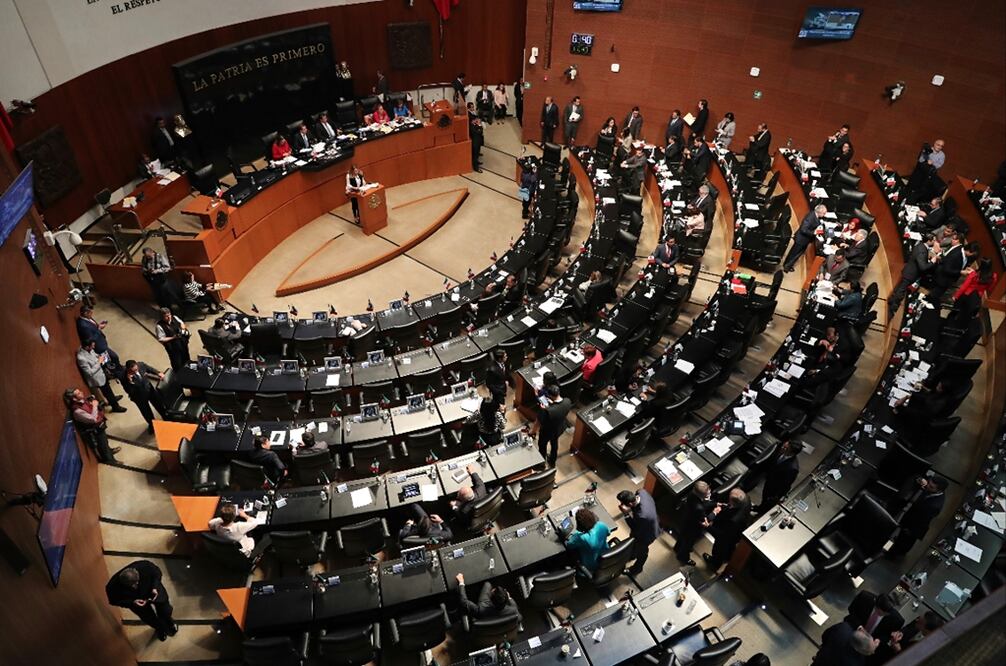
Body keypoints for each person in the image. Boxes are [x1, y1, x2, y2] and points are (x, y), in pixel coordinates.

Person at [106, 561, 176, 641]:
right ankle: (160, 629)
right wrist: (132, 602)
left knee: (165, 610)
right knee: (149, 619)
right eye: (131, 585)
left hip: (153, 592)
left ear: (138, 574)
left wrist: (155, 587)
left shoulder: (145, 566)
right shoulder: (112, 587)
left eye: (136, 583)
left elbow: (157, 573)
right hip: (137, 603)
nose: (135, 586)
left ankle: (168, 622)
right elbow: (114, 601)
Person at [887, 476, 948, 557]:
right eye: (928, 483)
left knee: (903, 543)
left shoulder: (934, 506)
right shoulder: (932, 486)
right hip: (910, 515)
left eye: (931, 487)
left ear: (939, 490)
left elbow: (921, 521)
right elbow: (919, 477)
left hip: (914, 526)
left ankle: (891, 555)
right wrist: (920, 479)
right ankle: (890, 546)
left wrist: (908, 529)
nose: (927, 486)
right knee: (898, 536)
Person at [888, 235, 939, 318]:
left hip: (908, 271)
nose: (935, 242)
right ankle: (893, 306)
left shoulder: (921, 245)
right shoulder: (922, 250)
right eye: (934, 240)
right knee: (901, 290)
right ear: (929, 241)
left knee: (900, 287)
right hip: (911, 273)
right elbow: (923, 267)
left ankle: (892, 300)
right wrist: (932, 262)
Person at [703, 488, 751, 571]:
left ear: (732, 502)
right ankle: (728, 557)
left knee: (719, 550)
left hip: (726, 535)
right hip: (737, 533)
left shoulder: (733, 521)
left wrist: (708, 526)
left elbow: (721, 535)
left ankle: (715, 563)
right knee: (730, 546)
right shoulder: (747, 500)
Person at [871, 612, 944, 663]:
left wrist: (898, 651)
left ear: (927, 630)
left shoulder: (928, 650)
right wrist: (901, 633)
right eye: (919, 618)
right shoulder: (920, 621)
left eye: (920, 622)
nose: (916, 620)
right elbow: (908, 627)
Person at [617, 489, 660, 575]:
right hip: (647, 523)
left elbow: (635, 528)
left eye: (622, 503)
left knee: (642, 551)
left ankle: (637, 569)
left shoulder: (642, 515)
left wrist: (626, 514)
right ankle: (632, 554)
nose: (621, 504)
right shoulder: (641, 492)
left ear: (630, 504)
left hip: (647, 533)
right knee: (634, 544)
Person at [76, 338, 125, 413]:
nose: (94, 347)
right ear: (87, 347)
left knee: (108, 389)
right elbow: (89, 372)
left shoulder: (88, 349)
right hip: (97, 378)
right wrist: (99, 362)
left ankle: (112, 398)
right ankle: (115, 407)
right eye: (92, 346)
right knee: (107, 392)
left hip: (102, 372)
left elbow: (94, 354)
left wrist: (99, 356)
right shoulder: (81, 358)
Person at [120, 360, 167, 433]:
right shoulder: (124, 377)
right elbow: (129, 391)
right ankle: (152, 425)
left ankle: (166, 418)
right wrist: (130, 382)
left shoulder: (141, 365)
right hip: (139, 397)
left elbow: (149, 368)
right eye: (133, 371)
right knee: (146, 412)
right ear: (128, 370)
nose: (136, 372)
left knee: (159, 405)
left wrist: (158, 373)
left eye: (136, 369)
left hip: (149, 390)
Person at [674, 481, 714, 565]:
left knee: (682, 538)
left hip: (685, 521)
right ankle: (683, 557)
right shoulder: (699, 508)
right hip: (692, 528)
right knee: (687, 544)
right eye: (707, 492)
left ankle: (677, 548)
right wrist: (714, 513)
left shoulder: (692, 494)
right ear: (702, 495)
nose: (709, 492)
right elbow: (705, 521)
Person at [754, 440, 800, 512]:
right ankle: (760, 507)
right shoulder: (781, 451)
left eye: (785, 448)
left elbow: (785, 485)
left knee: (767, 502)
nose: (782, 448)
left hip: (774, 489)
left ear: (792, 452)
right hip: (769, 480)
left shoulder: (792, 468)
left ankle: (761, 511)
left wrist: (776, 496)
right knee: (764, 496)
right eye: (784, 445)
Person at [533, 384, 572, 467]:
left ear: (550, 396)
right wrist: (552, 404)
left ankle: (541, 463)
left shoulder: (549, 411)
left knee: (542, 445)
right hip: (559, 429)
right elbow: (558, 408)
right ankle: (552, 461)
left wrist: (544, 409)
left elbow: (542, 421)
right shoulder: (567, 401)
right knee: (554, 445)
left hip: (547, 431)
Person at [951, 257, 996, 325]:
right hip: (977, 297)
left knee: (956, 310)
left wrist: (956, 296)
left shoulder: (974, 274)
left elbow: (964, 286)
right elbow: (990, 288)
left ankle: (951, 321)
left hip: (966, 295)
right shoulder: (993, 276)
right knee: (966, 313)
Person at [565, 508, 611, 574]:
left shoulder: (580, 537)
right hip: (607, 557)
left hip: (591, 566)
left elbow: (569, 545)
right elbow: (608, 533)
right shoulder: (601, 525)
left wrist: (573, 535)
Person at [784, 204, 827, 272]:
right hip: (801, 239)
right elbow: (803, 229)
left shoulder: (815, 215)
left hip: (804, 240)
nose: (825, 214)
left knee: (797, 253)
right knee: (794, 254)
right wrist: (813, 232)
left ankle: (788, 265)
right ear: (819, 212)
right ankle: (787, 267)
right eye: (824, 213)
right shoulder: (810, 218)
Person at [455, 574, 520, 619]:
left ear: (490, 599)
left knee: (487, 584)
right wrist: (509, 598)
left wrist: (461, 582)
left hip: (485, 612)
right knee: (487, 584)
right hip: (497, 629)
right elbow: (519, 618)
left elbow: (463, 601)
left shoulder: (481, 610)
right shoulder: (513, 610)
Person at [813, 622, 879, 666]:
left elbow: (825, 635)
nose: (873, 652)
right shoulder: (855, 663)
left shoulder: (843, 628)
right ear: (857, 649)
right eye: (868, 652)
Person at [77, 305, 121, 370]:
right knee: (114, 357)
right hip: (99, 347)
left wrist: (98, 325)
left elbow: (93, 328)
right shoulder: (83, 325)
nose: (92, 314)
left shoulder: (88, 318)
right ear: (85, 313)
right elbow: (91, 339)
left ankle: (117, 368)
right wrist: (99, 329)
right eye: (90, 313)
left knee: (112, 359)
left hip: (102, 342)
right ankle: (118, 370)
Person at [928, 230, 965, 303]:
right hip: (940, 274)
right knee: (932, 292)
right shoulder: (953, 247)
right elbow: (947, 257)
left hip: (944, 279)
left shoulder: (957, 252)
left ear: (958, 241)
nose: (951, 240)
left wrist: (940, 257)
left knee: (934, 296)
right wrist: (941, 254)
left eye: (954, 239)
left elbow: (948, 264)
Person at [907, 139, 946, 203]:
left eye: (941, 146)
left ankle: (913, 200)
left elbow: (940, 164)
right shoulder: (928, 150)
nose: (939, 147)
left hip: (928, 175)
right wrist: (924, 153)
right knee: (912, 185)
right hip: (920, 172)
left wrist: (932, 163)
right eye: (938, 145)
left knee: (921, 190)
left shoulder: (942, 155)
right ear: (934, 144)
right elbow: (920, 160)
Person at [451, 464, 488, 529]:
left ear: (463, 500)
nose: (457, 496)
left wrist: (454, 506)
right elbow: (478, 481)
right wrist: (472, 472)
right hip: (485, 511)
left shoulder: (464, 510)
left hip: (471, 523)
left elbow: (460, 517)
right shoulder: (481, 489)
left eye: (458, 495)